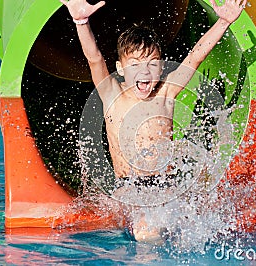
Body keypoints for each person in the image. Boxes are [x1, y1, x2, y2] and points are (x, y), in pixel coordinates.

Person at [60, 0, 246, 242]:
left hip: (165, 184)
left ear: (162, 67)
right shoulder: (112, 95)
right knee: (147, 233)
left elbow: (195, 57)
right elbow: (94, 59)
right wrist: (81, 21)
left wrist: (224, 22)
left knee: (200, 222)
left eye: (152, 64)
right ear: (120, 68)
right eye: (135, 65)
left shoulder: (167, 93)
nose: (144, 72)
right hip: (129, 185)